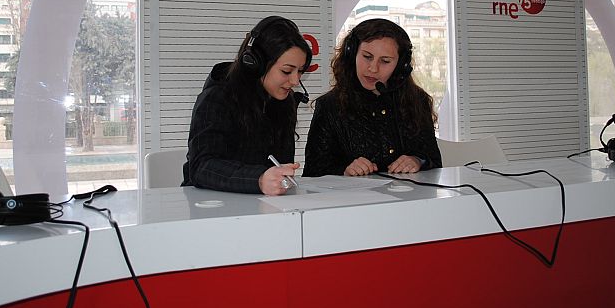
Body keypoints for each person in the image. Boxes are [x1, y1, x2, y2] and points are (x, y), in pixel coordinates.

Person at [181, 16, 312, 195]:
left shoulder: (283, 101)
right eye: (287, 71)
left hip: (261, 206)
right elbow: (202, 167)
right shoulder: (217, 97)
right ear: (255, 64)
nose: (295, 81)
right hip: (209, 207)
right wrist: (258, 179)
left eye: (300, 72)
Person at [304, 18, 441, 177]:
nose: (373, 68)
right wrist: (344, 170)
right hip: (354, 199)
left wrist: (418, 161)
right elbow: (312, 172)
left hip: (409, 200)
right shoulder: (329, 106)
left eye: (385, 61)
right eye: (367, 56)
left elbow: (435, 161)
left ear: (401, 66)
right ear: (352, 54)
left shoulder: (417, 100)